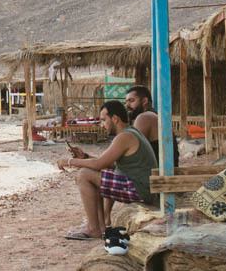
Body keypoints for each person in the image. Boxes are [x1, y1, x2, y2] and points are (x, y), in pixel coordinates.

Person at [56, 100, 155, 241]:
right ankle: (100, 227)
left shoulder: (124, 137)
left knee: (84, 175)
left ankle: (93, 228)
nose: (102, 125)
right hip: (141, 187)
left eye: (103, 120)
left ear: (115, 119)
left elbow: (98, 164)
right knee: (94, 174)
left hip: (139, 189)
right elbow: (109, 164)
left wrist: (69, 162)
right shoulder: (131, 133)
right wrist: (84, 157)